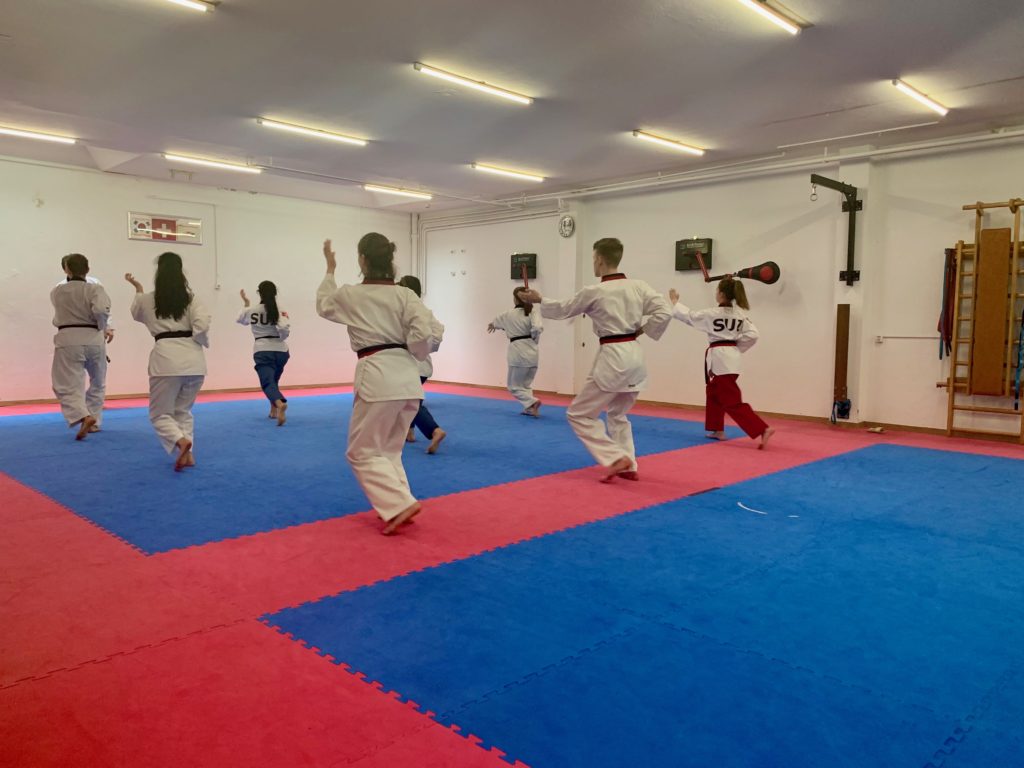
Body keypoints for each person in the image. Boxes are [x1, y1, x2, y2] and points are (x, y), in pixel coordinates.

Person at [316, 235, 442, 534]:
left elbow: (323, 305)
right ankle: (401, 503)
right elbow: (427, 331)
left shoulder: (352, 294)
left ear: (362, 259)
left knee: (360, 452)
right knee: (389, 450)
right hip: (408, 376)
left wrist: (330, 269)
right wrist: (416, 351)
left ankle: (398, 505)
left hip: (377, 375)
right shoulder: (406, 295)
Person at [521, 238, 671, 481]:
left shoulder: (595, 291)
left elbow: (564, 308)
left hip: (613, 357)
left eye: (593, 259)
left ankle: (615, 457)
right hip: (635, 354)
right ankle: (629, 465)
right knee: (618, 414)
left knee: (578, 414)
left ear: (600, 259)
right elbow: (664, 311)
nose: (593, 263)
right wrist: (644, 330)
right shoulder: (639, 286)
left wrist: (539, 300)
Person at [126, 252, 211, 471]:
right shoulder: (193, 299)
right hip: (194, 360)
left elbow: (136, 313)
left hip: (165, 361)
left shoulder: (147, 300)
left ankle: (180, 442)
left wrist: (138, 290)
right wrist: (195, 342)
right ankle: (188, 455)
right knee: (183, 411)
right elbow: (202, 325)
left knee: (159, 414)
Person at [668, 277, 774, 448]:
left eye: (717, 290)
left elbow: (690, 317)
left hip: (721, 358)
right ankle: (717, 429)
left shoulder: (712, 313)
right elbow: (753, 335)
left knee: (732, 401)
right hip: (730, 357)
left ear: (722, 294)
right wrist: (736, 346)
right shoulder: (740, 316)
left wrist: (675, 302)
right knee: (714, 392)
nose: (716, 293)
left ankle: (762, 429)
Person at [50, 253, 111, 439]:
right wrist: (102, 326)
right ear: (88, 269)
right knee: (98, 381)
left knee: (66, 384)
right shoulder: (96, 289)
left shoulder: (57, 291)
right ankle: (95, 422)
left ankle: (83, 416)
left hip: (68, 338)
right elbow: (101, 310)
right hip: (94, 337)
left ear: (66, 269)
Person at [397, 275, 446, 453]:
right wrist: (425, 347)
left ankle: (434, 430)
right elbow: (438, 332)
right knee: (409, 399)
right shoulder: (424, 310)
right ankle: (409, 432)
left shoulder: (404, 309)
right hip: (422, 365)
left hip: (410, 364)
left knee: (408, 401)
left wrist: (411, 345)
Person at [238, 281, 291, 426]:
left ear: (259, 293)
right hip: (281, 351)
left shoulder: (253, 310)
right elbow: (284, 328)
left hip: (262, 350)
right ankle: (273, 410)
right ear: (275, 293)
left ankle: (280, 404)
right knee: (273, 381)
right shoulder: (280, 309)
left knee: (267, 382)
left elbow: (240, 320)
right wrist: (281, 338)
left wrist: (246, 304)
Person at [487, 287, 543, 416]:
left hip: (518, 353)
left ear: (515, 299)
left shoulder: (508, 315)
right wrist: (534, 339)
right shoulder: (533, 312)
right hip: (533, 352)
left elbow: (495, 322)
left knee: (513, 386)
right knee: (525, 385)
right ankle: (530, 409)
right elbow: (537, 328)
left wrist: (492, 325)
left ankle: (532, 402)